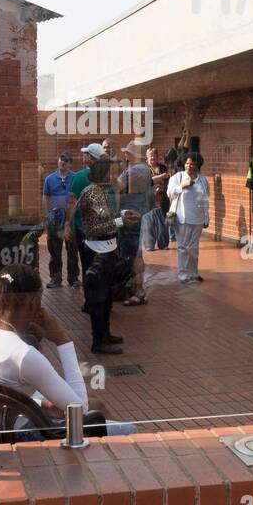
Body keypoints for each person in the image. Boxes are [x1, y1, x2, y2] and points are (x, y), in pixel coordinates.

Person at [0, 264, 135, 435]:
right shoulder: (24, 354)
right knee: (127, 430)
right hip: (25, 431)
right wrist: (62, 341)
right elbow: (79, 410)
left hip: (9, 417)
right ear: (33, 302)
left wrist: (38, 403)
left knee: (96, 402)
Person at [77, 156, 131, 354]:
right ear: (103, 173)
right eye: (111, 172)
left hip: (103, 247)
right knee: (99, 297)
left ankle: (105, 334)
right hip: (97, 249)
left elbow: (105, 218)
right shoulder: (94, 194)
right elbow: (100, 224)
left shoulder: (98, 192)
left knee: (106, 295)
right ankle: (98, 341)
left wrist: (120, 217)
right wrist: (121, 221)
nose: (114, 175)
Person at [116, 141, 151, 304]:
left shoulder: (135, 170)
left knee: (133, 255)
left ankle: (138, 290)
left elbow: (116, 187)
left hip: (131, 218)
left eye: (128, 152)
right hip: (138, 215)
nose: (125, 155)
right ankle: (134, 288)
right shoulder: (145, 169)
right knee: (135, 253)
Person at [167, 151, 209, 283]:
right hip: (182, 218)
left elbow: (205, 200)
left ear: (198, 166)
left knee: (194, 248)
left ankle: (193, 273)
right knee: (183, 247)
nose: (189, 166)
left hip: (197, 219)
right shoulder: (177, 177)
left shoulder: (202, 180)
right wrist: (182, 187)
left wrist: (206, 218)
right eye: (187, 163)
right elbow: (170, 193)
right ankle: (183, 275)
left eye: (192, 164)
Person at [41, 151, 78, 288]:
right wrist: (46, 215)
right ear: (58, 161)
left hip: (71, 220)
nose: (63, 162)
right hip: (55, 220)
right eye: (61, 159)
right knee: (54, 250)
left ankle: (73, 278)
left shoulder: (75, 178)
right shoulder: (49, 179)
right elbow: (45, 197)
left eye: (66, 160)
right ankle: (55, 278)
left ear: (70, 163)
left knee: (72, 249)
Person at [65, 143, 102, 280]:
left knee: (87, 264)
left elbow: (72, 203)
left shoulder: (79, 177)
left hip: (83, 228)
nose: (82, 156)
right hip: (104, 229)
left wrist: (67, 224)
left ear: (90, 158)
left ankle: (91, 297)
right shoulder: (108, 176)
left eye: (85, 154)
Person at [142, 146, 171, 251]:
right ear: (147, 158)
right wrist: (161, 177)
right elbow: (147, 181)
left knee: (163, 222)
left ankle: (163, 244)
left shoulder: (163, 168)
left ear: (158, 157)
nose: (153, 159)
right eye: (151, 157)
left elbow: (168, 178)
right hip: (148, 199)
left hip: (162, 198)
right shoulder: (144, 169)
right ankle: (149, 244)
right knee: (148, 222)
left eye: (154, 157)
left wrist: (162, 177)